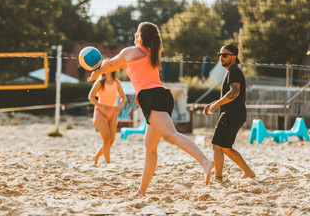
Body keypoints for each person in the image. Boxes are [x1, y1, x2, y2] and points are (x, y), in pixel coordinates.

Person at [88, 22, 214, 196]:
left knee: (171, 135)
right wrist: (102, 68)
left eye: (136, 32)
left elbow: (110, 65)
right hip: (161, 95)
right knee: (150, 148)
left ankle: (205, 162)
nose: (134, 35)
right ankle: (141, 191)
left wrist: (96, 72)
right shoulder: (149, 53)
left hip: (152, 97)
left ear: (140, 36)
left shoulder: (132, 51)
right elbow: (115, 65)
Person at [203, 45, 255, 182]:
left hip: (231, 114)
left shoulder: (234, 71)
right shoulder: (231, 71)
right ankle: (248, 171)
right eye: (219, 54)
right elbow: (230, 94)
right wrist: (213, 103)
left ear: (234, 57)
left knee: (216, 145)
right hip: (236, 113)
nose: (221, 57)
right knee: (225, 147)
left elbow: (234, 92)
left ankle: (218, 178)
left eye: (225, 55)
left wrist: (216, 104)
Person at [88, 59, 126, 164]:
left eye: (109, 66)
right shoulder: (100, 82)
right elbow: (91, 97)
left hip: (113, 112)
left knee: (112, 139)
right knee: (106, 138)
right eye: (104, 66)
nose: (106, 68)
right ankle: (108, 162)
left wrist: (119, 105)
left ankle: (95, 156)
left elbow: (123, 98)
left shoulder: (116, 82)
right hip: (101, 112)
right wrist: (100, 106)